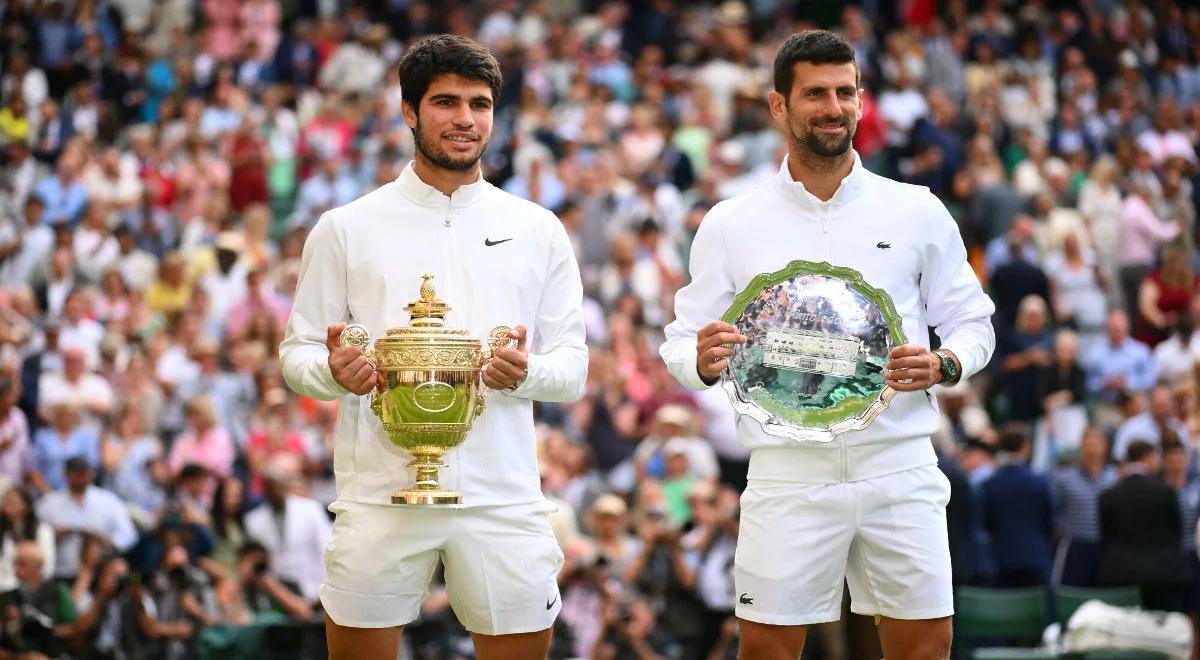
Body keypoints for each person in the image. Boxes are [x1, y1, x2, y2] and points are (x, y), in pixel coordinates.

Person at [660, 30, 995, 660]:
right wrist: (699, 363)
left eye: (846, 92)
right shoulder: (731, 222)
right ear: (778, 106)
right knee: (764, 648)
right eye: (815, 93)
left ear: (863, 102)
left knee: (926, 644)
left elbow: (974, 323)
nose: (833, 106)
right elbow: (681, 342)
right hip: (787, 470)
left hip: (899, 460)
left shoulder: (917, 210)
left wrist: (946, 362)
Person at [279, 35, 587, 660]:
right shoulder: (346, 227)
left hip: (502, 494)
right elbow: (297, 355)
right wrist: (336, 373)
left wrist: (522, 373)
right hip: (379, 492)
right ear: (409, 112)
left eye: (479, 103)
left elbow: (572, 369)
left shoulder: (537, 229)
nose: (466, 119)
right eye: (446, 102)